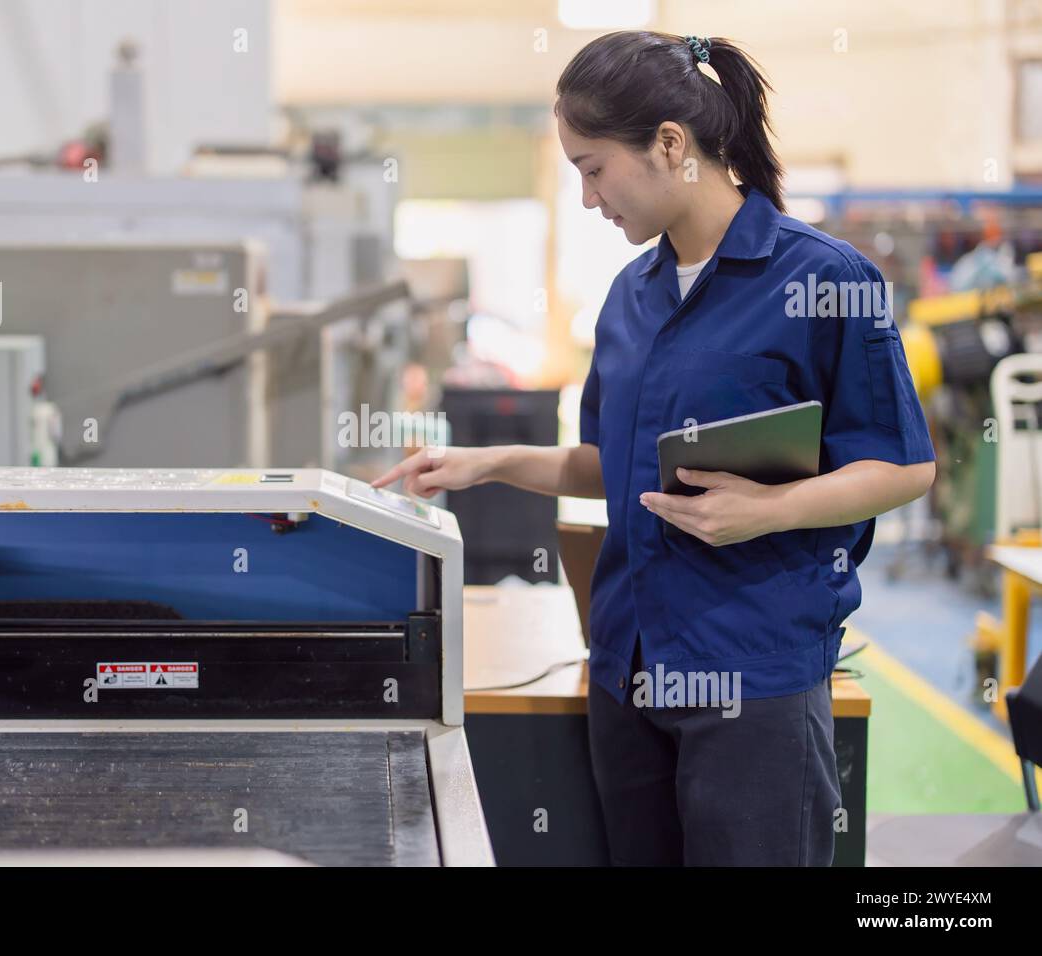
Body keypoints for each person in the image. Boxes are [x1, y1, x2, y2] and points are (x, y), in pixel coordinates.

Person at [371, 31, 936, 866]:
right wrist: (487, 463)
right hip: (629, 668)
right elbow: (616, 468)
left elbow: (903, 464)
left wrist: (772, 509)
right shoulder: (629, 298)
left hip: (753, 675)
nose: (591, 197)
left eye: (594, 168)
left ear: (670, 145)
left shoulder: (823, 280)